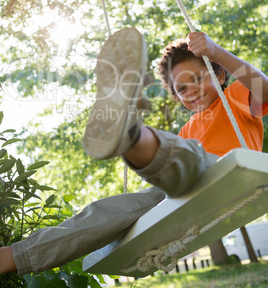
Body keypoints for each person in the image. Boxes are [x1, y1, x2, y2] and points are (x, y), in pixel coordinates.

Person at [0, 28, 267, 276]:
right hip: (177, 191)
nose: (192, 90)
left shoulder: (233, 97)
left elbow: (263, 89)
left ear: (219, 75)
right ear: (176, 98)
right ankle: (13, 257)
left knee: (187, 156)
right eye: (182, 88)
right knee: (107, 212)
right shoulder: (187, 128)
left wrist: (215, 52)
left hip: (223, 170)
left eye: (198, 78)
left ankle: (131, 133)